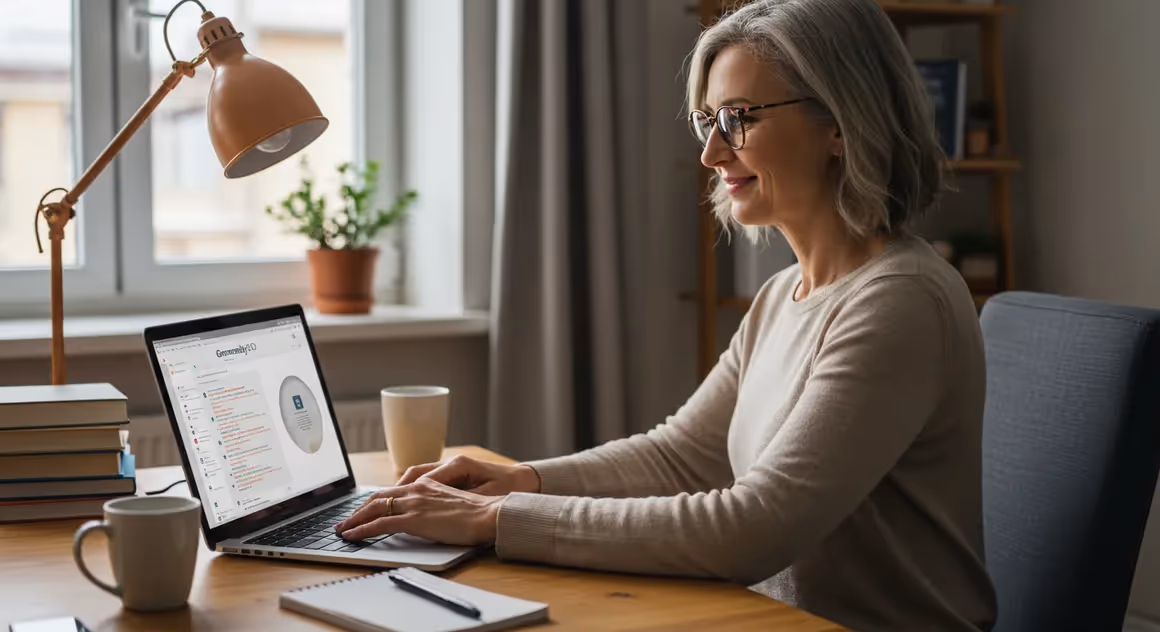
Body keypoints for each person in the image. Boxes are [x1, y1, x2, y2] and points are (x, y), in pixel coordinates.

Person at [334, 0, 997, 629]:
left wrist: (494, 517)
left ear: (841, 124)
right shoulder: (785, 294)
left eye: (739, 117)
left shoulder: (900, 301)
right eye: (709, 121)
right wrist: (520, 479)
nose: (712, 153)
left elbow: (751, 529)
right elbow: (683, 456)